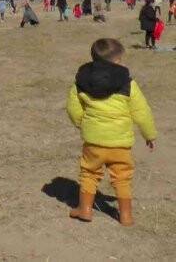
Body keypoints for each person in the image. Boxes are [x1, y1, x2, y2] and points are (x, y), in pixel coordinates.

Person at [66, 39, 156, 226]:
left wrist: (82, 124)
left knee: (89, 173)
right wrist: (149, 134)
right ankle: (126, 216)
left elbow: (73, 108)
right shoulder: (128, 83)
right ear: (116, 61)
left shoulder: (81, 81)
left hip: (94, 142)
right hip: (120, 144)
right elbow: (142, 111)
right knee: (122, 177)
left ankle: (85, 209)